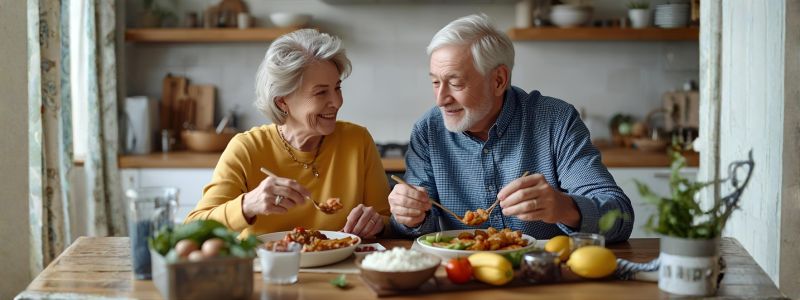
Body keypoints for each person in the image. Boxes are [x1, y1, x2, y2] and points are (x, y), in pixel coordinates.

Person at [388, 14, 634, 242]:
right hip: (462, 276)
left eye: (455, 83)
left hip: (546, 274)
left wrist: (564, 207)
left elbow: (620, 217)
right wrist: (409, 217)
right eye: (435, 82)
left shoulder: (555, 121)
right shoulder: (428, 130)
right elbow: (417, 230)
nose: (441, 99)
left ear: (498, 80)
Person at [186, 29, 390, 239]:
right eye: (321, 92)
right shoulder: (247, 149)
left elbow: (387, 219)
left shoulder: (358, 141)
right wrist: (247, 205)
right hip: (266, 271)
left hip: (341, 268)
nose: (337, 102)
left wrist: (376, 223)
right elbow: (192, 230)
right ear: (282, 101)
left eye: (337, 88)